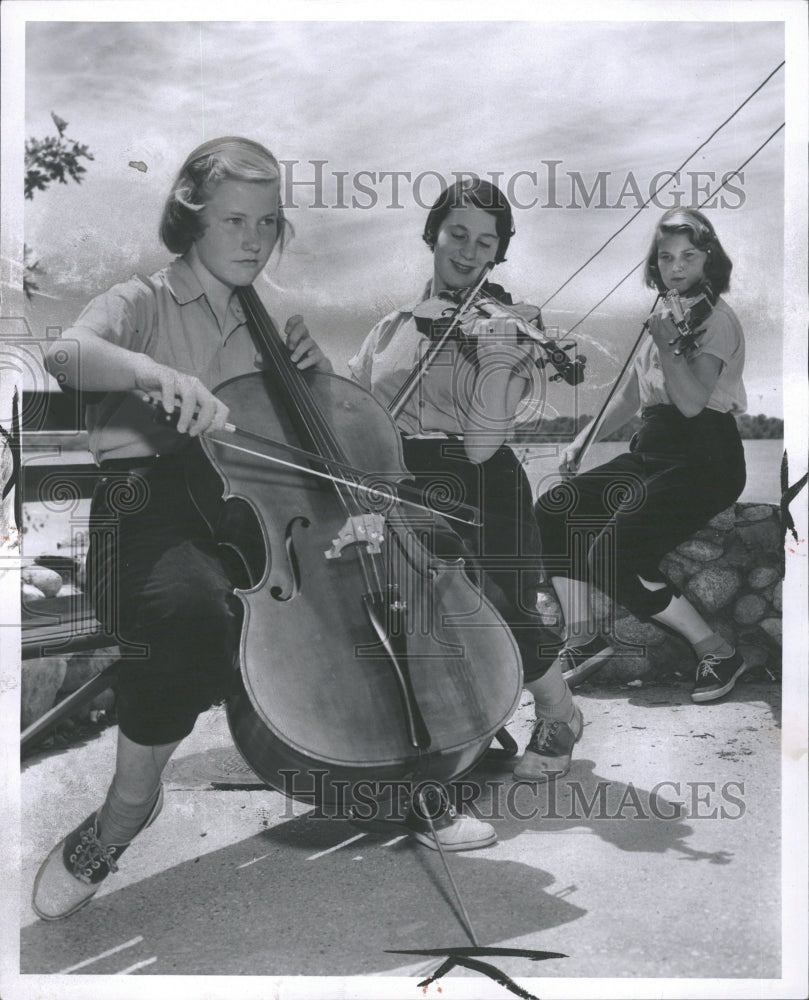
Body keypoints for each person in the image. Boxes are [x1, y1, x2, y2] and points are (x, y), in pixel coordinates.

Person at [31, 138, 487, 924]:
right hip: (150, 507)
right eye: (233, 220)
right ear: (190, 218)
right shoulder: (143, 299)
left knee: (383, 586)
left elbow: (324, 428)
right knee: (190, 613)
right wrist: (155, 375)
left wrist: (311, 371)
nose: (252, 239)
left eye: (268, 223)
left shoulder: (273, 309)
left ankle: (409, 777)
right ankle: (124, 812)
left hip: (262, 503)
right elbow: (65, 353)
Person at [348, 178, 583, 792]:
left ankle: (559, 713)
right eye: (458, 234)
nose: (470, 251)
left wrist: (502, 359)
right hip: (400, 479)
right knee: (412, 611)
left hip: (480, 479)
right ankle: (449, 729)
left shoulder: (505, 326)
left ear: (499, 251)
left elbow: (483, 443)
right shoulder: (389, 329)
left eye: (487, 241)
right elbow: (350, 408)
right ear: (433, 235)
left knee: (505, 610)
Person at [534, 207, 748, 703]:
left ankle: (717, 652)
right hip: (652, 449)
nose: (676, 267)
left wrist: (670, 345)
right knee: (551, 510)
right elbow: (631, 399)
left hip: (705, 456)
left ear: (707, 259)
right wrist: (581, 440)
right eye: (666, 257)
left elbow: (694, 404)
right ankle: (584, 638)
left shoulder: (717, 320)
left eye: (688, 256)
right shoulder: (665, 319)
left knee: (613, 552)